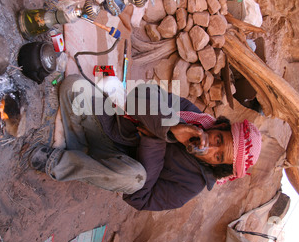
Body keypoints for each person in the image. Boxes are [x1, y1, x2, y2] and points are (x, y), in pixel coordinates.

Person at [28, 74, 262, 211]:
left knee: (134, 177)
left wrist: (154, 140)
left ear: (218, 166)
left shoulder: (190, 186)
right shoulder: (190, 114)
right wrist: (170, 127)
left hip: (118, 167)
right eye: (219, 139)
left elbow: (139, 199)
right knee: (73, 86)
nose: (210, 147)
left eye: (218, 156)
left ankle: (56, 163)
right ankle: (78, 150)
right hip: (111, 131)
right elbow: (140, 94)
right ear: (219, 127)